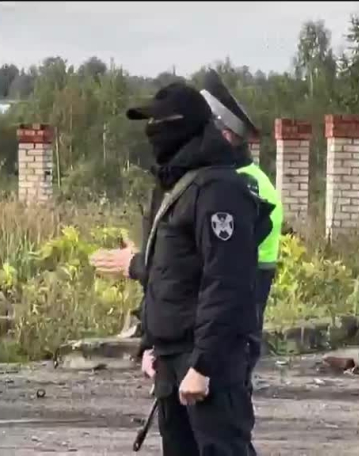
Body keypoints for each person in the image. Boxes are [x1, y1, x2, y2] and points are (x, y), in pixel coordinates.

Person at [103, 81, 272, 455]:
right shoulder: (176, 184)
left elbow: (227, 283)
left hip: (206, 361)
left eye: (159, 123)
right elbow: (168, 275)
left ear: (183, 126)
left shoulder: (219, 189)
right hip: (171, 358)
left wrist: (204, 366)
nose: (152, 132)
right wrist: (151, 343)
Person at [199, 69, 283, 375]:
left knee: (239, 343)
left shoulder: (242, 181)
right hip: (253, 268)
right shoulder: (246, 175)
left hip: (250, 270)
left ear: (226, 135)